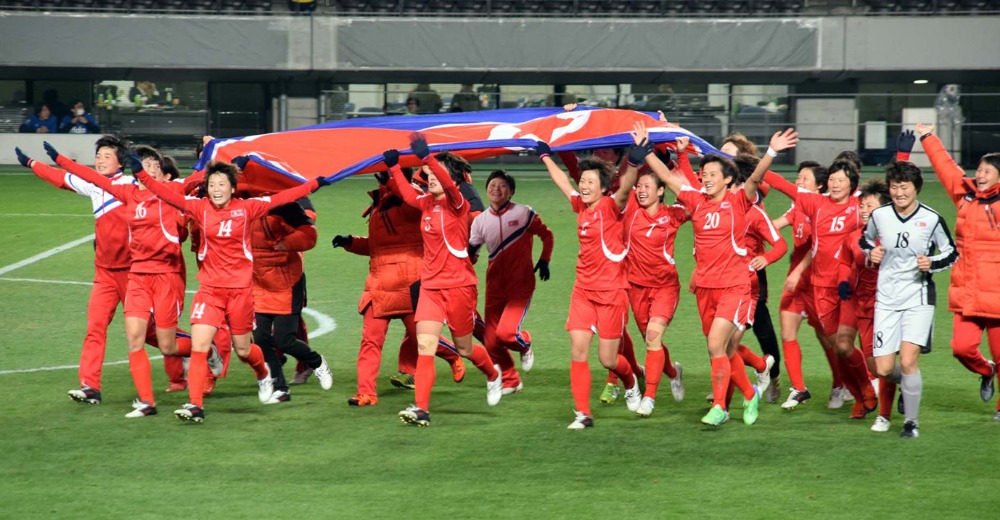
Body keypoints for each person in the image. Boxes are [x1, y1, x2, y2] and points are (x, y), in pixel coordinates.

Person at [28, 143, 223, 418]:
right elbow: (84, 177)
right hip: (130, 276)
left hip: (163, 276)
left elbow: (203, 176)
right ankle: (128, 397)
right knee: (125, 336)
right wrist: (53, 159)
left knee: (165, 343)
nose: (149, 170)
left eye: (154, 166)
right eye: (145, 165)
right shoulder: (125, 191)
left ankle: (202, 351)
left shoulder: (171, 191)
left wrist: (216, 151)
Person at [136, 161, 330, 422]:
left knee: (244, 349)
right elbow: (165, 194)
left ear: (232, 188)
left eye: (221, 184)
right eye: (212, 185)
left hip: (240, 292)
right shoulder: (199, 207)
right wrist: (140, 173)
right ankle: (195, 405)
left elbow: (283, 197)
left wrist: (314, 184)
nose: (216, 189)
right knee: (200, 347)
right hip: (209, 291)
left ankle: (263, 373)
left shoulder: (248, 208)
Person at [645, 126, 798, 426]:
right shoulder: (696, 201)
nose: (706, 178)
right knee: (726, 349)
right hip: (705, 288)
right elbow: (668, 178)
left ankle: (720, 407)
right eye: (704, 174)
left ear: (728, 179)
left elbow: (755, 179)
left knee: (717, 344)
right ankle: (750, 394)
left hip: (735, 287)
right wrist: (645, 152)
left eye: (713, 174)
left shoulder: (739, 202)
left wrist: (771, 152)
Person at [16, 134, 149, 404]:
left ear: (120, 162)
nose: (100, 160)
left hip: (133, 272)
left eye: (107, 156)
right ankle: (90, 387)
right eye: (98, 156)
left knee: (153, 332)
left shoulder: (130, 184)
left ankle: (189, 355)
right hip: (104, 273)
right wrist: (32, 163)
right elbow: (62, 179)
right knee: (95, 327)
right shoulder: (94, 186)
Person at [383, 134, 503, 427]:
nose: (431, 177)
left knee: (464, 348)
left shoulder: (457, 203)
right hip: (431, 287)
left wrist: (427, 158)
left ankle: (492, 374)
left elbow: (448, 184)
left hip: (460, 287)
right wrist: (394, 168)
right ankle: (421, 410)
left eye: (437, 173)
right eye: (429, 174)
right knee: (425, 345)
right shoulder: (425, 203)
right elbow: (407, 194)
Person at [535, 123, 644, 430]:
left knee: (608, 360)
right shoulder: (580, 207)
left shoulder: (610, 206)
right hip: (583, 291)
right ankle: (583, 414)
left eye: (589, 182)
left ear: (603, 187)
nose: (583, 185)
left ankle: (631, 381)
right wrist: (545, 156)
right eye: (582, 180)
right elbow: (562, 181)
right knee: (577, 351)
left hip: (611, 294)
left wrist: (635, 161)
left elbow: (625, 189)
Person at [332, 169, 466, 407]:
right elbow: (379, 246)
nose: (379, 174)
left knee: (422, 338)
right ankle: (366, 393)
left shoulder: (413, 197)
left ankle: (452, 355)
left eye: (385, 170)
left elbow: (411, 202)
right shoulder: (380, 202)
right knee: (370, 340)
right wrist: (351, 242)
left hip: (410, 282)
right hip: (378, 283)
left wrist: (393, 177)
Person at [861, 160, 958, 438]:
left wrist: (932, 263)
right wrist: (871, 252)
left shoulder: (932, 218)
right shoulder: (880, 215)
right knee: (883, 368)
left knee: (907, 361)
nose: (898, 193)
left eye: (904, 187)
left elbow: (951, 252)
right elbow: (864, 239)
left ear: (916, 188)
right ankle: (908, 384)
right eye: (894, 187)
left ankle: (911, 423)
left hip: (918, 298)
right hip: (886, 299)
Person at [781, 159, 879, 413]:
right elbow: (783, 187)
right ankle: (858, 392)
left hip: (852, 290)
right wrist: (769, 154)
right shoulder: (816, 205)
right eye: (832, 179)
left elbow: (888, 196)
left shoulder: (858, 207)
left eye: (841, 180)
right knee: (838, 346)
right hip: (820, 287)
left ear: (851, 185)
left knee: (851, 347)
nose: (835, 184)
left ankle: (871, 386)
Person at [917, 122, 1000, 420]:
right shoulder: (966, 194)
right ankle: (986, 371)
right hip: (968, 290)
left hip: (997, 293)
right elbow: (946, 168)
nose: (980, 174)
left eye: (987, 171)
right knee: (961, 349)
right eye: (979, 169)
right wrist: (928, 137)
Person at [244, 178, 333, 404]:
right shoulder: (240, 203)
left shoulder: (285, 205)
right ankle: (280, 389)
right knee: (261, 339)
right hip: (258, 282)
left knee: (284, 340)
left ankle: (316, 362)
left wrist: (289, 243)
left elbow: (309, 233)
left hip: (287, 282)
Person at [469, 170, 554, 395]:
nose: (496, 189)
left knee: (506, 334)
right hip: (494, 287)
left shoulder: (524, 213)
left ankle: (524, 343)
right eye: (492, 185)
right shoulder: (480, 221)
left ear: (511, 191)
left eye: (502, 185)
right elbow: (472, 254)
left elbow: (547, 235)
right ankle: (511, 380)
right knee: (491, 341)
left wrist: (544, 259)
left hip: (520, 285)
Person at [619, 163, 688, 417]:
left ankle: (649, 397)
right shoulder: (631, 211)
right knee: (652, 342)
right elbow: (627, 179)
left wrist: (679, 163)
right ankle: (673, 372)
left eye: (647, 186)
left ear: (660, 191)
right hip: (636, 288)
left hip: (665, 287)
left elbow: (696, 200)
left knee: (652, 337)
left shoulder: (673, 214)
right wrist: (638, 158)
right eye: (639, 186)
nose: (641, 190)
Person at [838, 180, 892, 426]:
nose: (863, 210)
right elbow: (844, 261)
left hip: (885, 304)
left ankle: (895, 397)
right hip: (857, 300)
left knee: (881, 363)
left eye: (869, 206)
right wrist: (843, 281)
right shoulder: (853, 236)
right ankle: (866, 392)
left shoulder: (894, 236)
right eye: (861, 205)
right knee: (846, 348)